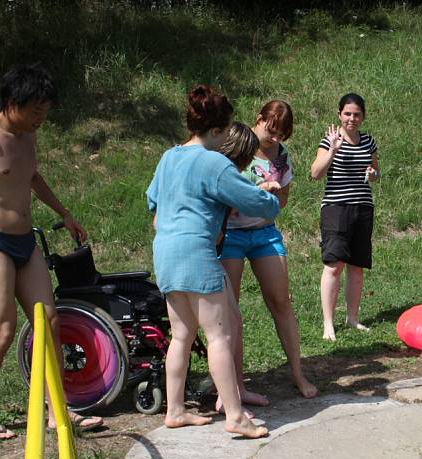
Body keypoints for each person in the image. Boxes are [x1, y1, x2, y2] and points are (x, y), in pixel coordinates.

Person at [146, 85, 280, 439]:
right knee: (220, 334)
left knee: (181, 336)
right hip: (197, 252)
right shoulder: (214, 162)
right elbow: (250, 200)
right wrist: (272, 202)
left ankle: (174, 411)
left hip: (165, 252)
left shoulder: (168, 157)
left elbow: (154, 208)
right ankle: (235, 416)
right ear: (217, 130)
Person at [0, 64, 104, 440]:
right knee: (1, 332)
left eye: (46, 111)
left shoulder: (28, 137)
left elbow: (31, 176)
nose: (41, 118)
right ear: (11, 102)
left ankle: (56, 409)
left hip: (25, 241)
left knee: (48, 323)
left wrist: (64, 213)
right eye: (35, 110)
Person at [218, 105, 317, 402]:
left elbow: (282, 202)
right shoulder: (237, 146)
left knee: (281, 301)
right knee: (229, 310)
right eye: (271, 129)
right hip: (231, 233)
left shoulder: (282, 157)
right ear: (259, 119)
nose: (274, 138)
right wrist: (255, 194)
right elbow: (220, 198)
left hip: (264, 232)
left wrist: (272, 197)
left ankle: (298, 374)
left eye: (280, 134)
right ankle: (233, 384)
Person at [310, 93, 380, 341]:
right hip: (336, 208)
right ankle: (328, 324)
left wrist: (372, 174)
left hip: (363, 207)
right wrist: (332, 150)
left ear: (363, 116)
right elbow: (316, 173)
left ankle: (352, 319)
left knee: (357, 266)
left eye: (357, 114)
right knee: (333, 265)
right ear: (339, 114)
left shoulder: (369, 141)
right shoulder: (330, 139)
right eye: (347, 113)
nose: (352, 118)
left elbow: (375, 172)